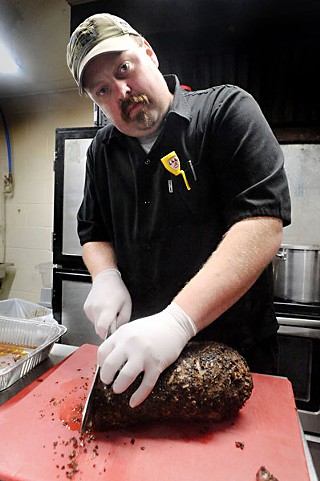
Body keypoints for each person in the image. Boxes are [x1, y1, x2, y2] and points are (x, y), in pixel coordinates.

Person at [67, 13, 291, 409]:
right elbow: (93, 231)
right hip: (146, 361)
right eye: (103, 89)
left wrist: (177, 322)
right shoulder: (102, 152)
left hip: (236, 359)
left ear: (149, 54)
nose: (121, 91)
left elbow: (262, 224)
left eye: (124, 68)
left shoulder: (227, 112)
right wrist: (106, 275)